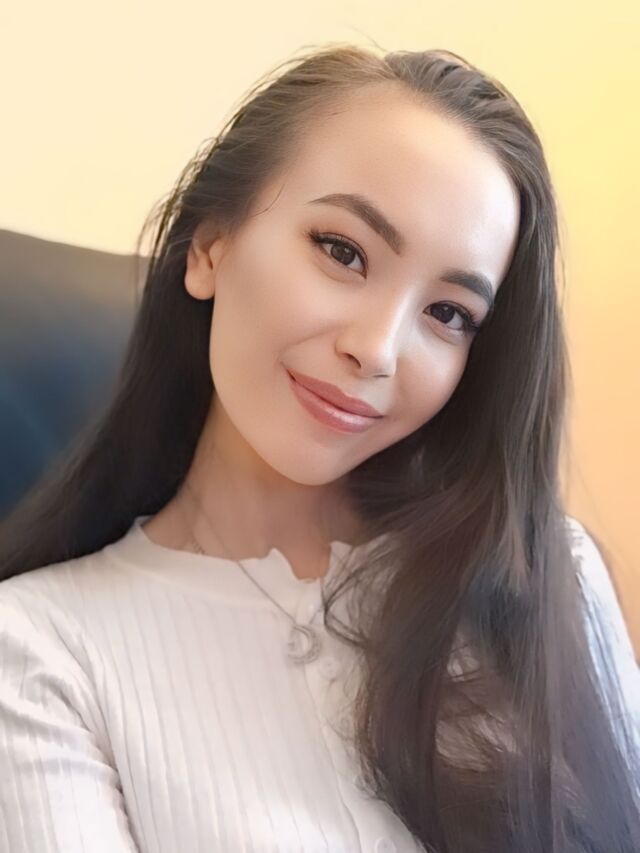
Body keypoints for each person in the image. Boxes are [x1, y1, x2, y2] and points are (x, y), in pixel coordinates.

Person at [0, 43, 638, 853]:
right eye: (343, 252)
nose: (378, 349)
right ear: (210, 245)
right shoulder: (41, 651)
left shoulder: (545, 575)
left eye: (448, 314)